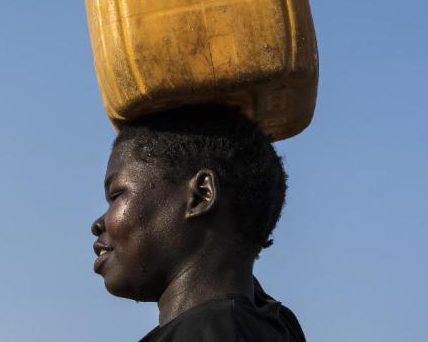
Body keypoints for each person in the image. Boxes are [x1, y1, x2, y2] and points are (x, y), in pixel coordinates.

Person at [90, 105, 306, 342]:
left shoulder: (205, 331)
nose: (98, 223)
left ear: (201, 195)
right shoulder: (276, 327)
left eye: (116, 195)